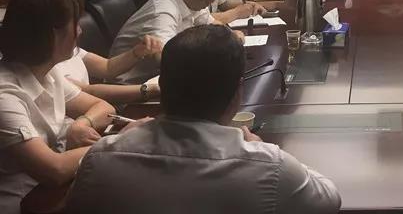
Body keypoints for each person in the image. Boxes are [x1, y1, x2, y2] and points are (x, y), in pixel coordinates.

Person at [65, 25, 341, 214]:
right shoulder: (270, 166)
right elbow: (330, 199)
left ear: (163, 86)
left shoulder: (99, 158)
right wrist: (263, 147)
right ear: (238, 92)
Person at [0, 0, 115, 212]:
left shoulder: (46, 72)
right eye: (76, 23)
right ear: (53, 35)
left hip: (53, 193)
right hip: (23, 203)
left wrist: (82, 123)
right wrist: (118, 143)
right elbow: (55, 169)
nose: (80, 31)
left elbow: (105, 108)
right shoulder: (5, 95)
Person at [109, 0, 254, 83]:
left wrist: (230, 35)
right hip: (132, 87)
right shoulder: (163, 11)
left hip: (160, 77)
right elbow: (166, 59)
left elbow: (210, 23)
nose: (211, 1)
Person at [55, 35, 163, 105]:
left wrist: (137, 52)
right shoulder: (50, 67)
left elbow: (107, 67)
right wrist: (152, 89)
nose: (79, 30)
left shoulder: (67, 47)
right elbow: (89, 92)